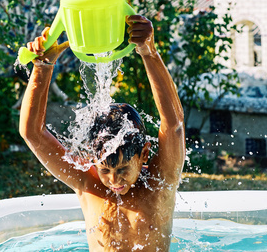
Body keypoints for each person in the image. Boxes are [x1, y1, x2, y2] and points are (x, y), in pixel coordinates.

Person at [19, 15, 185, 251]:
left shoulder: (161, 181)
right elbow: (32, 133)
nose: (114, 180)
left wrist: (149, 52)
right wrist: (42, 67)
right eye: (105, 169)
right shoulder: (87, 183)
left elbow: (174, 124)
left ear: (144, 153)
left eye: (123, 169)